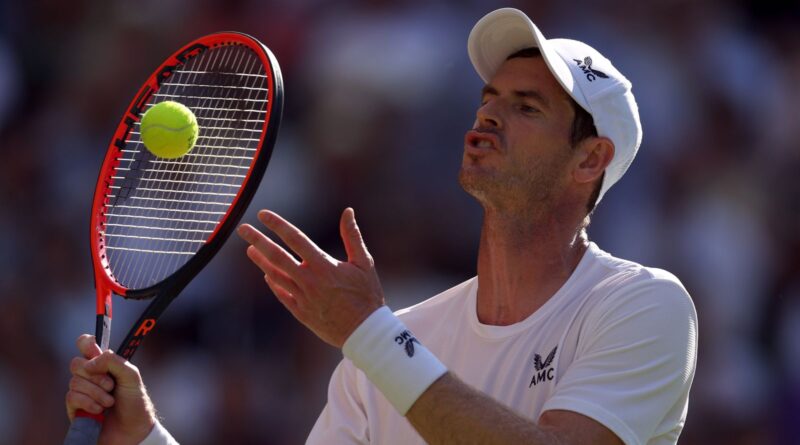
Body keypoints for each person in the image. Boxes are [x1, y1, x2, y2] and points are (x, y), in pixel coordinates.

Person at [65, 8, 698, 445]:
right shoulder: (391, 347)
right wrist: (143, 433)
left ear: (590, 160)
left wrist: (370, 335)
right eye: (488, 100)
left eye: (526, 107)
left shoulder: (644, 305)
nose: (488, 117)